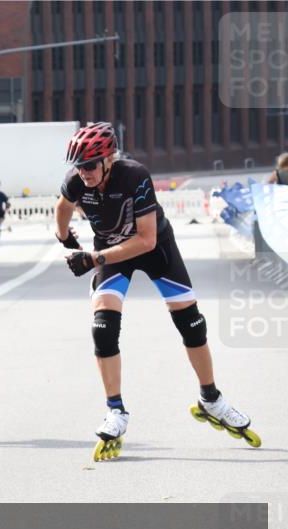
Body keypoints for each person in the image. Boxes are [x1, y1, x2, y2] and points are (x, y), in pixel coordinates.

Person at [54, 122, 260, 462]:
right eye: (78, 166)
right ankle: (115, 411)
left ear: (108, 160)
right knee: (103, 328)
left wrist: (92, 258)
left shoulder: (134, 176)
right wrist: (65, 239)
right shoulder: (77, 180)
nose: (83, 172)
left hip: (154, 248)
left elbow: (146, 240)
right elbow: (63, 207)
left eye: (89, 165)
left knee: (192, 324)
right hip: (111, 251)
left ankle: (210, 399)